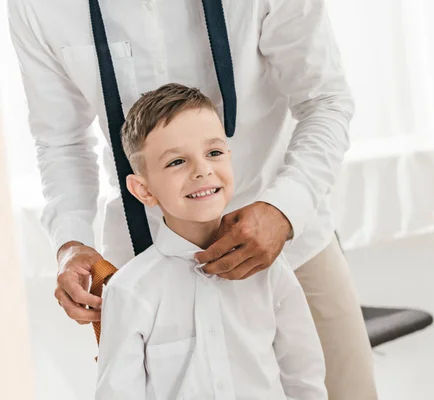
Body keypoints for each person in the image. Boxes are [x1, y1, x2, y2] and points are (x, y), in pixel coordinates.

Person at [8, 0, 377, 398]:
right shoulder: (38, 7)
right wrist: (70, 241)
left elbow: (325, 99)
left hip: (289, 238)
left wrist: (285, 208)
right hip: (143, 250)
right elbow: (59, 140)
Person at [94, 83, 326, 399]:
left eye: (213, 153)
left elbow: (303, 376)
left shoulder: (269, 269)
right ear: (144, 190)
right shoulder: (129, 291)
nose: (202, 170)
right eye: (177, 161)